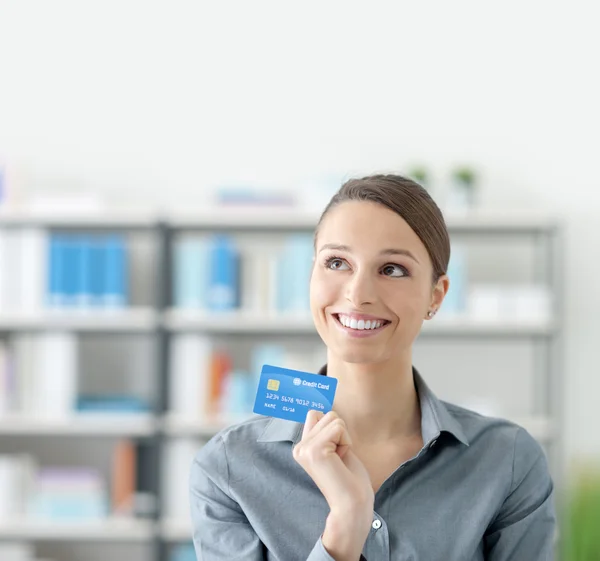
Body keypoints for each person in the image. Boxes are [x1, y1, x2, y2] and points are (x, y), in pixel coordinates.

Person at [189, 174, 556, 560]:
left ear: (436, 295)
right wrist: (344, 528)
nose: (358, 294)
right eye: (336, 262)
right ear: (311, 275)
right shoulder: (228, 467)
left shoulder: (507, 460)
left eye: (392, 269)